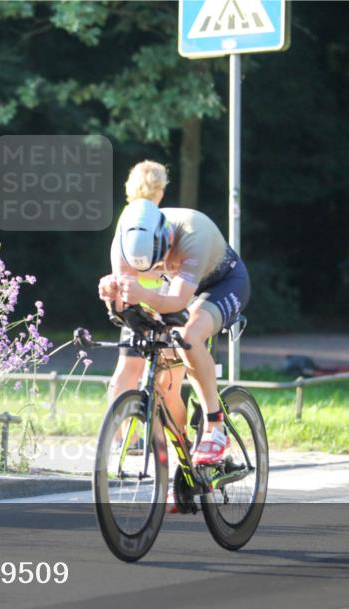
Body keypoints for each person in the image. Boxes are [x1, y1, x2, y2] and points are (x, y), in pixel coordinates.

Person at [97, 160, 250, 467]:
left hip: (221, 283)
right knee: (163, 385)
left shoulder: (193, 232)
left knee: (189, 336)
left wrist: (142, 294)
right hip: (173, 288)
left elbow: (178, 302)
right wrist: (112, 295)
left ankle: (215, 426)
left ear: (166, 239)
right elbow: (125, 305)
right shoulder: (125, 239)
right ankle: (186, 464)